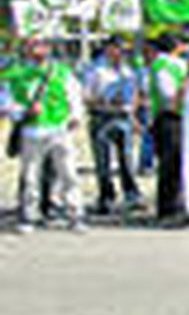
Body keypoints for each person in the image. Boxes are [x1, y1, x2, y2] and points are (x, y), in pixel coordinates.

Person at [6, 38, 87, 233]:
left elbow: (74, 94)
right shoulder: (16, 73)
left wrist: (75, 115)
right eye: (33, 45)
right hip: (32, 128)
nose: (38, 49)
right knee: (30, 175)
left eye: (41, 45)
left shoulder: (61, 71)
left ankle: (75, 213)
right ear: (25, 49)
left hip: (59, 127)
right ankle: (29, 215)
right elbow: (6, 101)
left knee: (68, 173)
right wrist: (23, 110)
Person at [83, 39, 142, 216]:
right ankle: (106, 196)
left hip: (123, 116)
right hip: (102, 115)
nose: (121, 53)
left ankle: (131, 194)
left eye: (123, 50)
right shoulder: (95, 70)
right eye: (118, 49)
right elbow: (86, 95)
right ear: (108, 49)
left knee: (127, 158)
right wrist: (104, 100)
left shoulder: (128, 71)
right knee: (103, 160)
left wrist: (133, 113)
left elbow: (136, 93)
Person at [148, 34, 189, 224]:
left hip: (176, 116)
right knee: (170, 165)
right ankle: (168, 209)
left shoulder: (171, 64)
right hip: (170, 117)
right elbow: (168, 94)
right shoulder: (165, 65)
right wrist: (183, 90)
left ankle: (175, 205)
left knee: (175, 165)